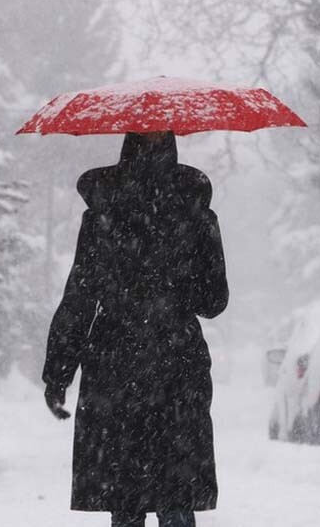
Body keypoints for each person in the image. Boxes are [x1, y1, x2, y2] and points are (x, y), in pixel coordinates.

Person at [42, 131, 229, 527]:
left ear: (126, 149)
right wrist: (179, 286)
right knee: (177, 492)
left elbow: (80, 297)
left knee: (124, 494)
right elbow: (214, 302)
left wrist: (58, 374)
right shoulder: (195, 212)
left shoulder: (104, 213)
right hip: (177, 362)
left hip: (115, 364)